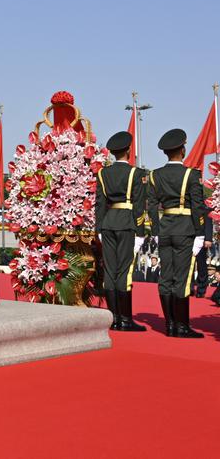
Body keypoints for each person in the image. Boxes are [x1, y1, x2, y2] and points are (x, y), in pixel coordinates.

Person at [147, 128, 208, 338]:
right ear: (182, 150)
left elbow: (152, 207)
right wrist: (200, 233)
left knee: (166, 277)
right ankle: (182, 326)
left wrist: (155, 231)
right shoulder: (192, 175)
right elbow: (198, 208)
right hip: (185, 230)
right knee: (182, 278)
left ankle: (170, 324)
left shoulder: (154, 175)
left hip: (164, 230)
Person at [95, 131, 148, 331]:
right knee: (124, 271)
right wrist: (141, 231)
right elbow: (139, 205)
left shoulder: (102, 173)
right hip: (126, 223)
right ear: (128, 150)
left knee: (110, 270)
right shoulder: (136, 173)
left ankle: (113, 319)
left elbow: (99, 204)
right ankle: (125, 320)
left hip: (108, 223)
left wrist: (99, 228)